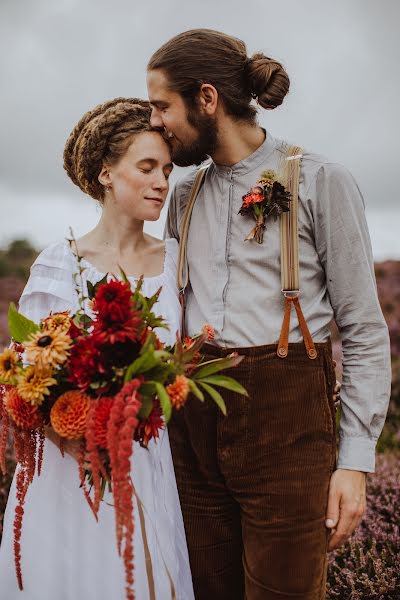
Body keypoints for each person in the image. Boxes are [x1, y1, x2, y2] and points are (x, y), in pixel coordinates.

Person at [146, 29, 391, 599]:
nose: (156, 122)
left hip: (288, 433)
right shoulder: (183, 196)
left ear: (206, 99)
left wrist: (354, 463)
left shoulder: (319, 179)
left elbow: (363, 331)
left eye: (162, 106)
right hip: (195, 433)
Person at [0, 98, 195, 600]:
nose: (160, 183)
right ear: (106, 173)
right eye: (146, 167)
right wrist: (70, 429)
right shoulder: (60, 263)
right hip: (71, 471)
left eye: (167, 171)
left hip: (149, 463)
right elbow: (29, 375)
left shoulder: (176, 261)